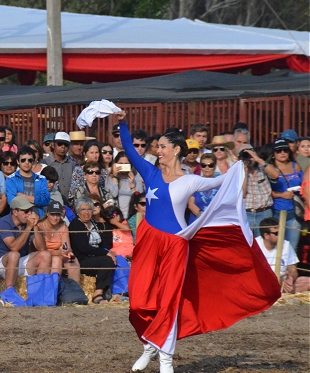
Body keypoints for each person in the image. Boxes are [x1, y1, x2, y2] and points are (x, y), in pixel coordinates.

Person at [115, 112, 279, 373]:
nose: (158, 151)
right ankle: (149, 343)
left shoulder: (191, 180)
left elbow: (221, 181)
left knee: (169, 299)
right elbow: (127, 148)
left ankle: (166, 358)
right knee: (138, 299)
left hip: (176, 243)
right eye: (158, 147)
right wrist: (122, 122)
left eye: (163, 147)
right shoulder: (149, 172)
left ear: (176, 149)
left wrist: (239, 165)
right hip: (148, 240)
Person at [0, 196, 51, 302]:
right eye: (25, 211)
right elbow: (14, 247)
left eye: (30, 211)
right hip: (1, 265)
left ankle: (38, 293)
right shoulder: (3, 223)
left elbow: (42, 248)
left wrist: (35, 226)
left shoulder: (26, 224)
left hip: (19, 263)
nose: (29, 214)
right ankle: (9, 292)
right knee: (14, 254)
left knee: (45, 255)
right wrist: (28, 228)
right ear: (15, 212)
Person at [68, 197, 115, 304]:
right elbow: (83, 248)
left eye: (89, 209)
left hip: (95, 256)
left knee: (116, 259)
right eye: (83, 210)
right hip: (82, 259)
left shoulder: (93, 223)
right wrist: (105, 253)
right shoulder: (76, 224)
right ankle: (97, 294)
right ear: (77, 211)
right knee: (107, 261)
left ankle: (117, 291)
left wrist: (109, 251)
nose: (86, 212)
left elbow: (102, 243)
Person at [32, 200, 81, 283]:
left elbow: (66, 246)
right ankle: (53, 288)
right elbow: (40, 250)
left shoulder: (63, 227)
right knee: (56, 260)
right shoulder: (39, 226)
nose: (55, 218)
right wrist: (57, 252)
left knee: (73, 261)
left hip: (59, 253)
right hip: (42, 256)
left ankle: (74, 290)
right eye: (52, 214)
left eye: (58, 214)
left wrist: (66, 251)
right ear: (47, 213)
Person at [269, 138, 303, 252]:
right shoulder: (270, 168)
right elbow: (264, 192)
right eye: (279, 151)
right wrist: (281, 195)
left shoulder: (295, 166)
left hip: (294, 211)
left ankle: (290, 269)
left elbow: (305, 185)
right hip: (276, 212)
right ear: (273, 153)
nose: (282, 153)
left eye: (285, 150)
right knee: (276, 248)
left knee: (292, 248)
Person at [255, 218, 306, 294]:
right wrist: (278, 280)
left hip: (284, 282)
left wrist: (291, 278)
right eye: (276, 233)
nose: (280, 236)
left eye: (281, 232)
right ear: (266, 235)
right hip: (262, 283)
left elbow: (292, 269)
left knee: (307, 281)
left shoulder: (286, 245)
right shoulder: (255, 245)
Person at [239, 144, 278, 238]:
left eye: (250, 152)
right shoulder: (238, 171)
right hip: (247, 214)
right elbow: (242, 194)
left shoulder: (263, 167)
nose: (249, 157)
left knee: (265, 245)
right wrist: (245, 171)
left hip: (264, 212)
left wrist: (258, 159)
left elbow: (275, 175)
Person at [5, 146, 51, 215]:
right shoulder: (11, 179)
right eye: (23, 160)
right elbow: (12, 201)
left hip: (39, 219)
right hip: (19, 220)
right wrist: (35, 200)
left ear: (33, 161)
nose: (27, 163)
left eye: (30, 160)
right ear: (18, 161)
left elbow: (46, 200)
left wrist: (24, 197)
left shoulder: (41, 179)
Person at [106, 152, 143, 219]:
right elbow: (113, 194)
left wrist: (132, 184)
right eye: (120, 164)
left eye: (126, 164)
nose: (123, 166)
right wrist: (115, 176)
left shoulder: (136, 177)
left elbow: (139, 198)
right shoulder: (110, 178)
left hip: (132, 214)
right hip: (117, 215)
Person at [42, 132, 75, 204]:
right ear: (53, 145)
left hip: (71, 204)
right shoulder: (45, 163)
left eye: (66, 145)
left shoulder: (72, 164)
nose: (63, 147)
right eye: (60, 144)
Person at [186, 153, 219, 223]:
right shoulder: (195, 183)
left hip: (214, 222)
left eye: (210, 165)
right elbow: (190, 204)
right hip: (196, 223)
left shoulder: (220, 184)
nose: (207, 168)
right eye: (204, 165)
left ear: (215, 166)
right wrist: (202, 216)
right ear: (200, 167)